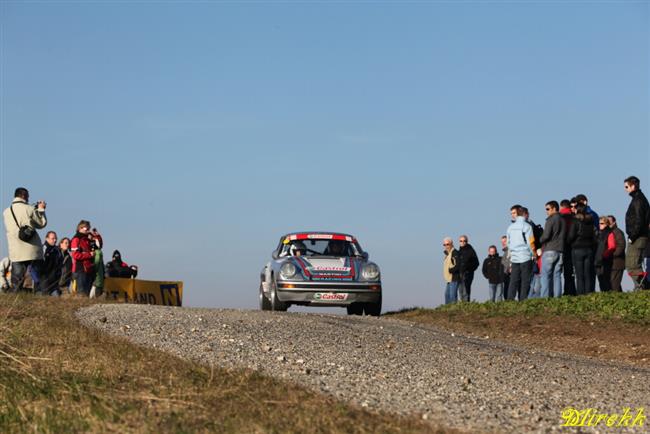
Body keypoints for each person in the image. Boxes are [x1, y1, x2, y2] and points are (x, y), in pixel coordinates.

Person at [2, 187, 47, 292]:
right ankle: (40, 298)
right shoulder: (29, 209)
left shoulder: (6, 211)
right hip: (32, 250)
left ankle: (15, 299)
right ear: (23, 196)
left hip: (15, 249)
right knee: (37, 278)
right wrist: (41, 209)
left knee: (17, 279)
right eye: (28, 196)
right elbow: (41, 223)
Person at [623, 176, 650, 288]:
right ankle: (642, 287)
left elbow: (639, 220)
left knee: (632, 264)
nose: (625, 189)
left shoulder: (638, 200)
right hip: (639, 236)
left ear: (633, 186)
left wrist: (632, 236)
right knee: (632, 264)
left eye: (626, 186)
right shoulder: (638, 199)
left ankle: (642, 288)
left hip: (638, 237)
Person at [506, 205, 535, 301]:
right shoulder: (527, 226)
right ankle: (523, 299)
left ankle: (510, 299)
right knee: (525, 280)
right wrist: (533, 254)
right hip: (525, 256)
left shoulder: (510, 227)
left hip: (515, 258)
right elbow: (531, 242)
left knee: (513, 280)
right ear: (523, 214)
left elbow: (508, 243)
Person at [539, 201, 566, 298]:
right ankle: (557, 297)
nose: (546, 211)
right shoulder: (563, 220)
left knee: (545, 275)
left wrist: (540, 240)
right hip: (560, 250)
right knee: (557, 275)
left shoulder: (550, 220)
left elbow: (546, 236)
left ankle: (545, 298)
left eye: (547, 209)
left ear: (554, 208)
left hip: (550, 249)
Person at [568, 204, 596, 295]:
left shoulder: (575, 221)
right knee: (587, 274)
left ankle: (580, 294)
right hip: (588, 249)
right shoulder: (590, 221)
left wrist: (569, 242)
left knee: (579, 275)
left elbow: (571, 236)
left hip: (577, 249)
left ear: (577, 210)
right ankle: (588, 293)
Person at [70, 220, 101, 296]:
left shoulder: (87, 239)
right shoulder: (76, 239)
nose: (88, 230)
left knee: (86, 293)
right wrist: (89, 254)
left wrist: (97, 236)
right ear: (80, 228)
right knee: (81, 293)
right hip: (80, 270)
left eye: (88, 228)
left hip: (88, 269)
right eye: (86, 228)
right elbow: (75, 255)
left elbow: (99, 246)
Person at [39, 231, 63, 296]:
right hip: (43, 281)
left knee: (56, 299)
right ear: (47, 238)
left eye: (56, 238)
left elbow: (60, 264)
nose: (55, 240)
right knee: (44, 301)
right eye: (53, 238)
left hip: (55, 281)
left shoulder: (57, 250)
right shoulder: (42, 249)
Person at [560, 200, 576, 296]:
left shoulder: (559, 217)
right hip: (573, 245)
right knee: (572, 271)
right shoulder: (573, 217)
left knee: (565, 271)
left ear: (561, 207)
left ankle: (567, 291)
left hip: (563, 245)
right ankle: (572, 290)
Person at [594, 217, 615, 292]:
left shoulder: (609, 233)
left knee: (605, 280)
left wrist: (604, 255)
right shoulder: (599, 233)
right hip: (598, 259)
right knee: (601, 280)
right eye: (599, 223)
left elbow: (612, 247)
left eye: (602, 223)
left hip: (605, 260)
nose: (600, 225)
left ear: (606, 224)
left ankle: (608, 295)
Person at [457, 235, 479, 302]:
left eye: (464, 241)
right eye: (461, 241)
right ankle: (462, 306)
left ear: (467, 241)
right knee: (460, 291)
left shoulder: (471, 251)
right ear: (459, 242)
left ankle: (466, 305)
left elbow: (476, 263)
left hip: (467, 274)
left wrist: (468, 269)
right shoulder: (458, 252)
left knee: (465, 291)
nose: (463, 242)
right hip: (459, 274)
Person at [606, 216, 626, 292]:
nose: (608, 223)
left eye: (609, 221)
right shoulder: (609, 232)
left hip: (617, 263)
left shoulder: (617, 232)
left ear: (614, 222)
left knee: (614, 284)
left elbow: (621, 246)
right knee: (614, 284)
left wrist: (611, 255)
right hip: (612, 263)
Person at [442, 237, 460, 304]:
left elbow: (458, 265)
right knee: (447, 295)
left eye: (447, 244)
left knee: (452, 296)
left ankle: (454, 310)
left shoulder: (455, 253)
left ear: (451, 244)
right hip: (449, 279)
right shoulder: (448, 254)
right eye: (444, 245)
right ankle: (447, 310)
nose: (446, 246)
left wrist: (450, 270)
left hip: (454, 278)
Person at [89, 229, 105, 298]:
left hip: (96, 280)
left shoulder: (97, 252)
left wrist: (91, 269)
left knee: (92, 297)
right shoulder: (99, 252)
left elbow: (96, 264)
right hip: (99, 280)